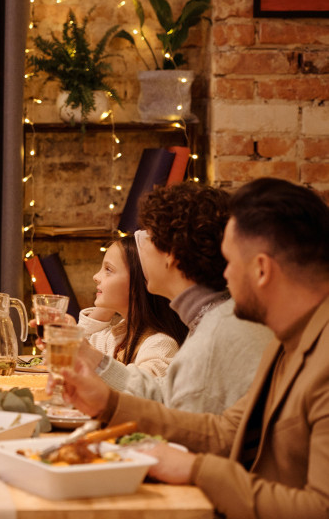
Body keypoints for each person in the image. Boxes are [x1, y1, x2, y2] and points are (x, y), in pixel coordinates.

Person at [61, 177, 329, 518]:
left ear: (261, 269)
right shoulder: (287, 338)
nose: (224, 275)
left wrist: (194, 469)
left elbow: (320, 509)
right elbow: (226, 430)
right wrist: (108, 402)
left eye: (230, 262)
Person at [80, 182, 274, 414]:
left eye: (149, 238)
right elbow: (166, 394)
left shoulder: (216, 331)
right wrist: (93, 360)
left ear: (171, 255)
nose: (140, 247)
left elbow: (180, 417)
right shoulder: (210, 318)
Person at [78, 234, 187, 377]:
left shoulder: (161, 344)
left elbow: (139, 389)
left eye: (108, 270)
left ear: (138, 284)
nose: (96, 276)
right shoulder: (122, 335)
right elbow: (83, 343)